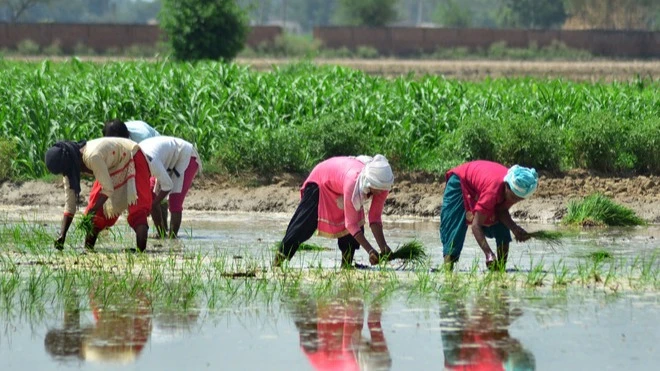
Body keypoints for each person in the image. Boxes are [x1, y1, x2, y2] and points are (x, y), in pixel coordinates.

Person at [274, 155, 395, 268]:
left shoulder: (382, 186)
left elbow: (374, 218)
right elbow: (350, 224)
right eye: (377, 189)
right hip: (321, 182)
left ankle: (346, 266)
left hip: (339, 186)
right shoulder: (354, 182)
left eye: (382, 189)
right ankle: (277, 263)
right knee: (302, 227)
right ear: (369, 182)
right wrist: (370, 251)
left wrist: (383, 247)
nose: (380, 192)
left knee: (355, 223)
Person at [45, 138, 152, 252]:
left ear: (67, 163)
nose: (64, 174)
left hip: (132, 156)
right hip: (112, 166)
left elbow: (108, 189)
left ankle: (141, 251)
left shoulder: (92, 156)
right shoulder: (69, 170)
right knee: (95, 214)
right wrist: (62, 235)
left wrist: (93, 209)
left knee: (137, 208)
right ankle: (88, 250)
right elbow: (70, 205)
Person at [440, 161, 538, 270]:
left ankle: (499, 269)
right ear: (507, 186)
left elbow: (501, 210)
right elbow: (476, 225)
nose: (514, 201)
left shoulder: (512, 189)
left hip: (484, 185)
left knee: (502, 228)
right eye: (514, 197)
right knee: (454, 228)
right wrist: (488, 254)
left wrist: (514, 228)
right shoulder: (493, 190)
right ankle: (448, 272)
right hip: (461, 181)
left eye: (519, 199)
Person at [102, 119, 169, 234]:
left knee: (153, 192)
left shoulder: (142, 138)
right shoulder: (110, 138)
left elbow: (148, 165)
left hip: (156, 154)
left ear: (123, 137)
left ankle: (162, 232)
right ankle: (103, 226)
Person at [138, 136, 202, 238]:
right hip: (166, 160)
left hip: (186, 157)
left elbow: (168, 186)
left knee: (175, 201)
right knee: (150, 195)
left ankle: (173, 238)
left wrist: (154, 204)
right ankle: (162, 234)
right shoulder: (135, 160)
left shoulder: (152, 162)